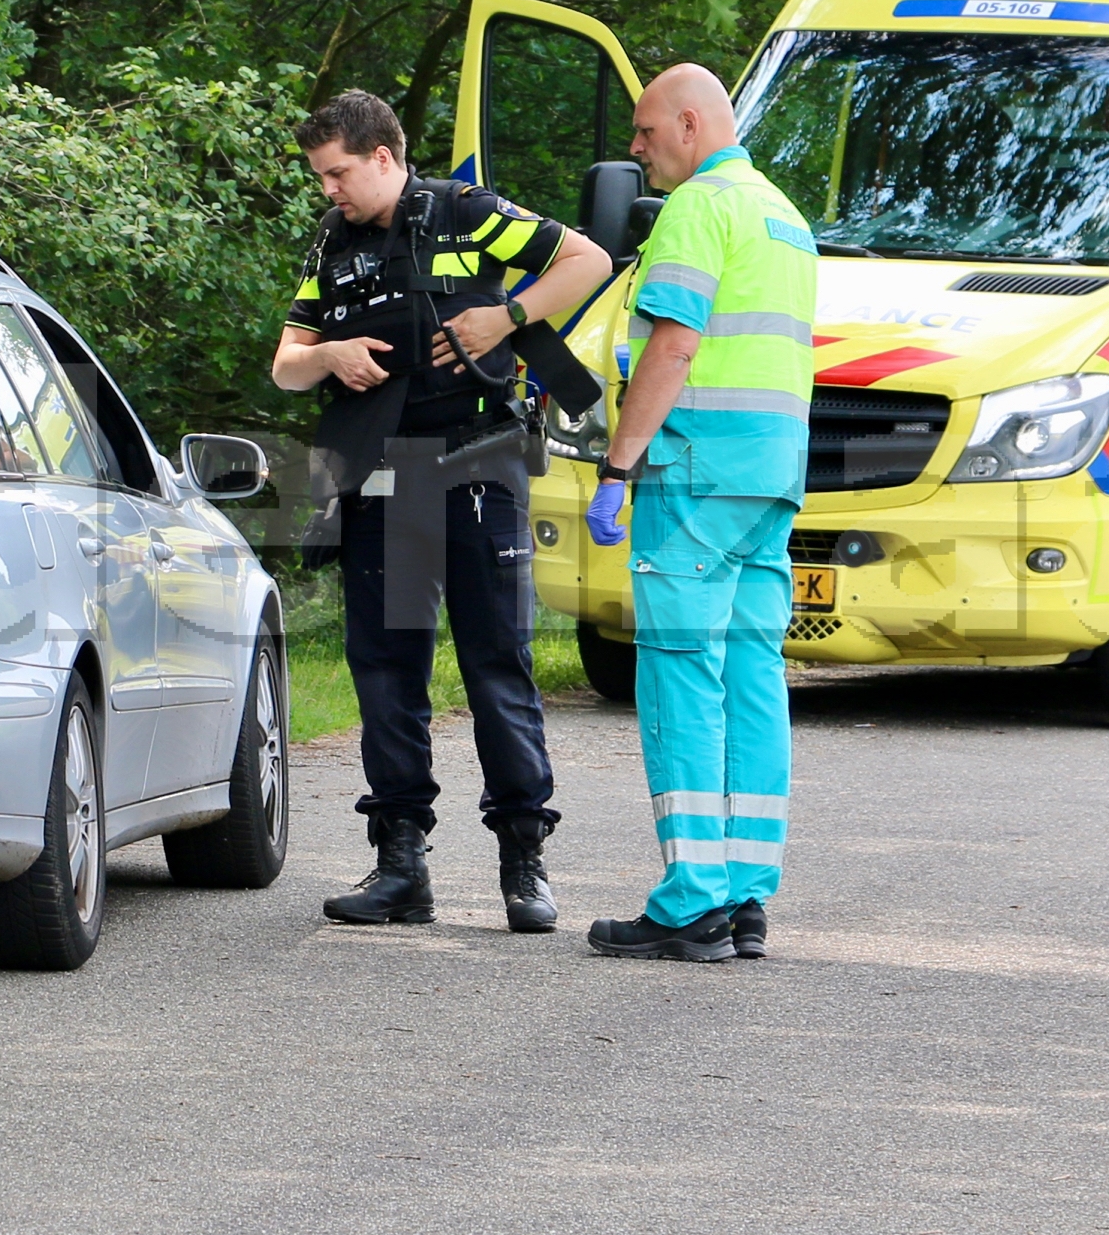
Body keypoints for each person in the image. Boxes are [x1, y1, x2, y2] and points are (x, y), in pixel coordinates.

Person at [274, 91, 617, 930]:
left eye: (340, 173)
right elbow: (286, 363)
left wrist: (506, 316)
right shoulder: (332, 243)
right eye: (322, 177)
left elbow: (589, 260)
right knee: (388, 670)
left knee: (497, 664)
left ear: (384, 157)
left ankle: (523, 864)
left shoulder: (465, 212)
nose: (330, 191)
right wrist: (331, 352)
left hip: (478, 472)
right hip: (385, 483)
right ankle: (400, 863)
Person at [580, 64, 819, 963]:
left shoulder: (698, 210)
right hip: (768, 481)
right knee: (753, 677)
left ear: (688, 123)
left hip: (693, 472)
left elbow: (674, 344)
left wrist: (617, 466)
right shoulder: (786, 219)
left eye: (645, 132)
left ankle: (691, 901)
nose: (636, 148)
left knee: (681, 676)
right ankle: (748, 893)